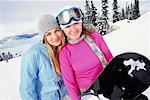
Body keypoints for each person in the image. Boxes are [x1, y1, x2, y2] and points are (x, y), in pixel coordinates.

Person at [56, 7, 113, 100]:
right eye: (68, 26)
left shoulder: (95, 37)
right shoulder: (65, 52)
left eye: (76, 23)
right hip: (89, 94)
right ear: (63, 30)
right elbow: (70, 83)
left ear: (81, 22)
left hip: (108, 85)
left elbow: (110, 60)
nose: (73, 29)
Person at [19, 14, 68, 100]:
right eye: (49, 34)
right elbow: (26, 89)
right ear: (44, 37)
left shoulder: (62, 49)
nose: (55, 36)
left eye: (57, 30)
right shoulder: (33, 55)